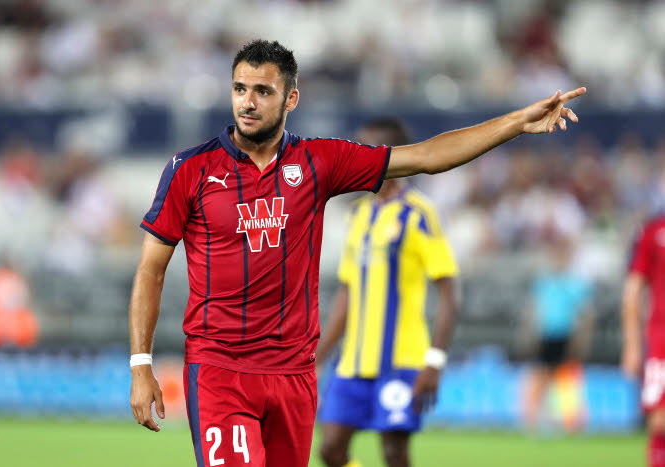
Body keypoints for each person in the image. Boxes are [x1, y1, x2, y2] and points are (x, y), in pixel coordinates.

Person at [128, 39, 585, 467]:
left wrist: (517, 123)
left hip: (294, 375)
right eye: (240, 89)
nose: (247, 102)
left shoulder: (319, 161)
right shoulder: (190, 169)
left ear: (291, 99)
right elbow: (151, 270)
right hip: (220, 369)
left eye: (263, 91)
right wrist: (141, 363)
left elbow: (427, 157)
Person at [316, 117, 458, 467]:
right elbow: (348, 293)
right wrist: (318, 355)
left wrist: (434, 363)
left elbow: (450, 293)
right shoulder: (358, 215)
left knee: (394, 454)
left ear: (391, 155)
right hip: (352, 362)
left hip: (401, 360)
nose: (357, 159)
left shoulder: (418, 213)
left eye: (366, 150)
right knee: (330, 450)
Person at [521, 235, 593, 432]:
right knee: (540, 377)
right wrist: (529, 334)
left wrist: (581, 339)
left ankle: (572, 424)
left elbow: (585, 315)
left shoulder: (576, 283)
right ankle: (532, 422)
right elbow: (534, 310)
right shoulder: (543, 282)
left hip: (566, 336)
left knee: (566, 381)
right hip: (546, 336)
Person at [622, 170, 665, 467]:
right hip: (662, 339)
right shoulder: (654, 232)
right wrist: (633, 345)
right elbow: (632, 291)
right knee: (659, 420)